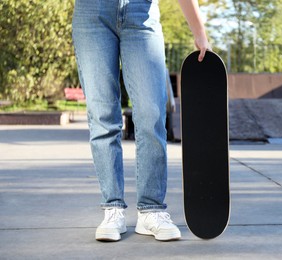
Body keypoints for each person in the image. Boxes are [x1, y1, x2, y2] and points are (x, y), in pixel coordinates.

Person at [72, 0, 210, 242]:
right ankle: (112, 209)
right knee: (103, 116)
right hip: (91, 13)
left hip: (141, 12)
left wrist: (199, 31)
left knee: (152, 113)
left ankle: (152, 210)